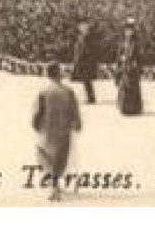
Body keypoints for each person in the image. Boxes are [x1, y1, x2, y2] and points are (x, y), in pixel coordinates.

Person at [32, 63, 82, 201]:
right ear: (59, 74)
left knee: (45, 155)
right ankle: (55, 185)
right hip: (63, 129)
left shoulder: (43, 92)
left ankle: (54, 187)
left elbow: (38, 112)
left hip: (47, 129)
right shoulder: (68, 91)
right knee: (60, 157)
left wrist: (35, 124)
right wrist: (77, 123)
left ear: (48, 75)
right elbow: (74, 110)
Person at [115, 18, 143, 116]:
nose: (128, 32)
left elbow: (139, 56)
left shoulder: (136, 42)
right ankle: (124, 108)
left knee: (133, 87)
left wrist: (136, 65)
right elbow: (119, 54)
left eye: (130, 30)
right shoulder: (123, 42)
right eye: (126, 30)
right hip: (124, 67)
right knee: (123, 87)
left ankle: (134, 109)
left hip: (132, 68)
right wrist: (120, 60)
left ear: (133, 31)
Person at [70, 21, 99, 105]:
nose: (83, 29)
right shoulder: (81, 37)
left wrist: (82, 57)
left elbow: (87, 50)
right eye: (81, 28)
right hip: (82, 61)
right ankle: (90, 97)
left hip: (86, 62)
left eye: (84, 28)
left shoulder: (88, 38)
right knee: (85, 80)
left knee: (87, 80)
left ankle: (91, 98)